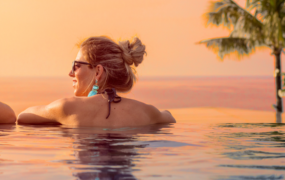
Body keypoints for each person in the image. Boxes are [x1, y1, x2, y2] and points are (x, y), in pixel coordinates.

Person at [17, 36, 175, 127]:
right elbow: (169, 117)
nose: (70, 73)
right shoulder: (146, 112)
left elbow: (22, 117)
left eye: (76, 66)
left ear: (98, 71)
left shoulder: (67, 108)